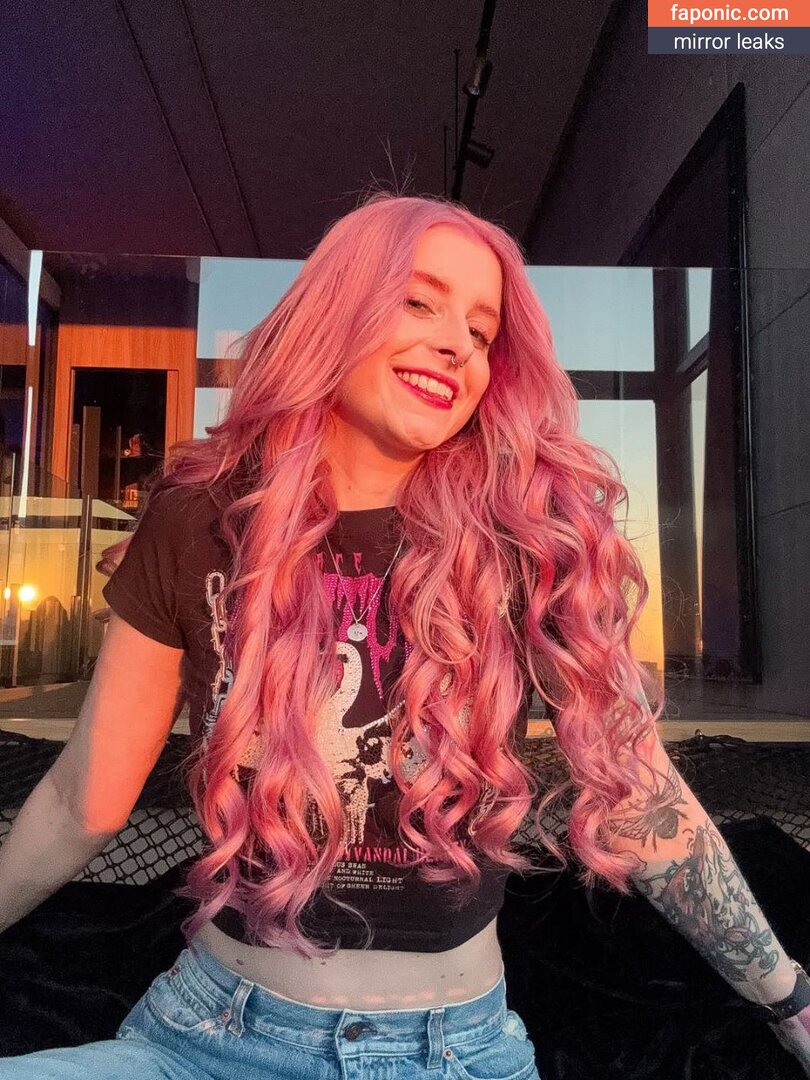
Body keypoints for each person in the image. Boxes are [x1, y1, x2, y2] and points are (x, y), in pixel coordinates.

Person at [0, 192, 808, 1079]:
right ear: (334, 312)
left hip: (448, 1053)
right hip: (201, 1035)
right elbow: (83, 801)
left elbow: (638, 796)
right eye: (419, 302)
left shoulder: (523, 540)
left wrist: (789, 998)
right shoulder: (196, 519)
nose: (458, 344)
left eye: (481, 331)